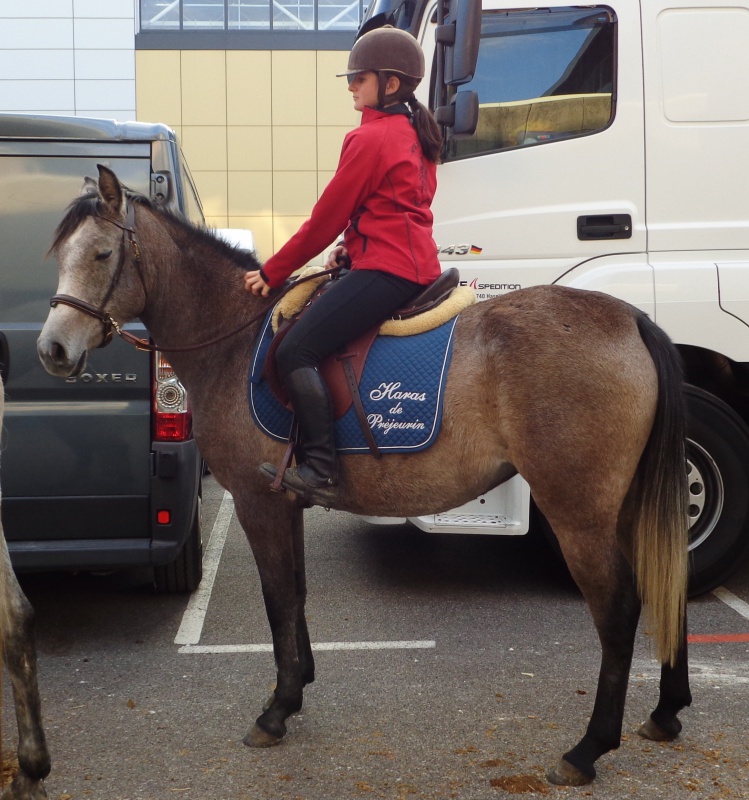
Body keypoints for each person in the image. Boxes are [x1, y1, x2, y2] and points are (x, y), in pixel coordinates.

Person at [244, 25, 443, 506]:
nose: (350, 83)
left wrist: (271, 272)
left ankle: (320, 469)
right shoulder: (414, 132)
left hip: (390, 270)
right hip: (407, 262)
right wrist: (354, 247)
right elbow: (400, 207)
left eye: (358, 76)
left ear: (390, 84)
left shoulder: (371, 137)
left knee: (295, 352)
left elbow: (322, 220)